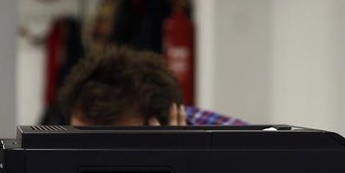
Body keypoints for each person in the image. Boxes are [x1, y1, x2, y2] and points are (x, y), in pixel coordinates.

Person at [58, 45, 245, 127]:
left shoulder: (243, 148)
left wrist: (179, 169)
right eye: (81, 139)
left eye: (114, 144)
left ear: (161, 126)